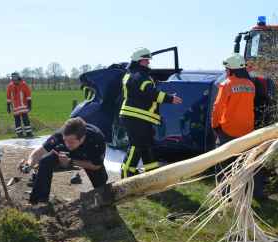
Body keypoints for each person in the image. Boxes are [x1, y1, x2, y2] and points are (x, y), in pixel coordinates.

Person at [119, 47, 182, 178]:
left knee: (146, 145)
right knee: (136, 146)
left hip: (136, 116)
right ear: (139, 61)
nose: (148, 63)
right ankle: (126, 173)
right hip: (137, 116)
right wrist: (170, 98)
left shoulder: (131, 74)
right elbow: (150, 93)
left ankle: (151, 174)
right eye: (146, 60)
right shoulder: (140, 76)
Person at [212, 53, 267, 199]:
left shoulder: (226, 84)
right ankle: (255, 192)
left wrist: (215, 125)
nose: (225, 71)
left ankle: (224, 194)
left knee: (223, 162)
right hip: (247, 130)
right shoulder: (250, 85)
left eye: (226, 68)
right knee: (248, 163)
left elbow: (217, 107)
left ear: (231, 69)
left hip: (228, 130)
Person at [22, 117, 107, 204]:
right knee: (45, 161)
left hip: (88, 157)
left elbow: (96, 166)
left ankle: (104, 203)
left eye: (71, 142)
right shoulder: (60, 134)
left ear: (82, 138)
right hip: (65, 154)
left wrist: (71, 162)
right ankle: (39, 201)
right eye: (65, 140)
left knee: (101, 180)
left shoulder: (97, 139)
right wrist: (29, 164)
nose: (67, 144)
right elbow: (40, 151)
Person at [246, 60, 277, 127]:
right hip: (266, 110)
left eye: (249, 67)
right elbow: (273, 96)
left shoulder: (252, 78)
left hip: (257, 109)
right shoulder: (269, 79)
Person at [6, 72, 33, 138]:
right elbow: (8, 97)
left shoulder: (24, 84)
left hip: (23, 106)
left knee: (25, 120)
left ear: (18, 77)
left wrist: (29, 104)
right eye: (13, 78)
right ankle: (19, 133)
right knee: (17, 121)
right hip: (15, 107)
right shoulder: (10, 86)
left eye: (15, 78)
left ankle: (29, 132)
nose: (14, 80)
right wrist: (8, 106)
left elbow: (28, 95)